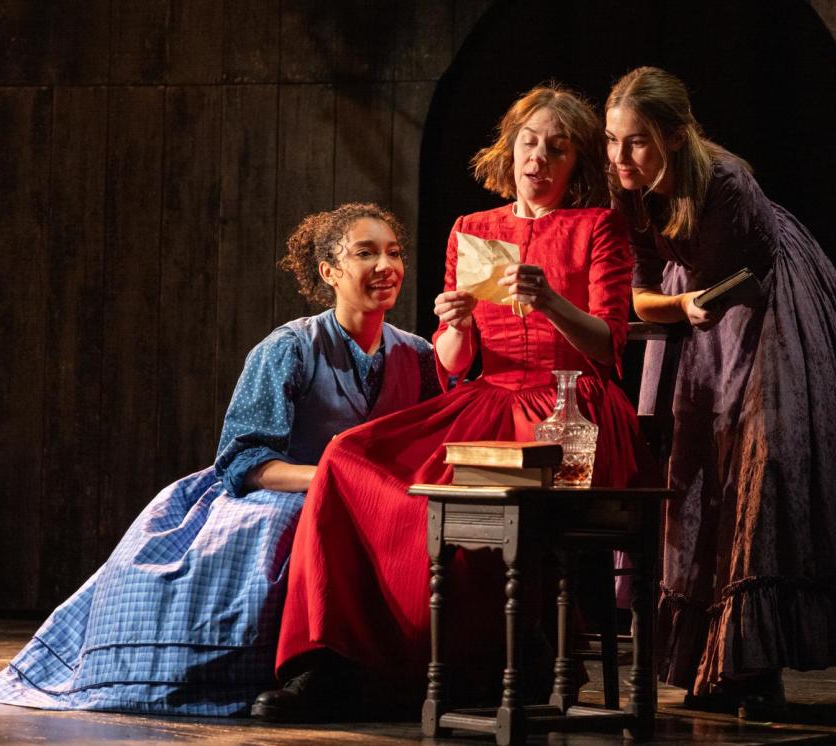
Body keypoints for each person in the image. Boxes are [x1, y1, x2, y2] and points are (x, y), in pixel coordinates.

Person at [253, 83, 647, 722]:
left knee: (494, 495)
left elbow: (607, 346)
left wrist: (549, 300)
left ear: (577, 164)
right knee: (350, 456)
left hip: (573, 406)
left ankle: (483, 665)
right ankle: (327, 660)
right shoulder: (473, 229)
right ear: (509, 148)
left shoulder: (597, 226)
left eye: (557, 147)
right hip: (488, 397)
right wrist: (456, 323)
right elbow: (452, 364)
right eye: (528, 141)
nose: (538, 157)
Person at [0, 203, 440, 716]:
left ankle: (392, 671)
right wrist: (334, 479)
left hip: (371, 495)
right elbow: (244, 459)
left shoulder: (417, 355)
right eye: (365, 253)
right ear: (330, 271)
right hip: (282, 489)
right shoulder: (289, 347)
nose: (385, 265)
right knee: (310, 521)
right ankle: (304, 670)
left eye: (393, 253)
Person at [604, 66, 836, 717]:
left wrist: (671, 305)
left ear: (677, 136)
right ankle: (699, 661)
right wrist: (666, 305)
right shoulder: (627, 186)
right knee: (684, 466)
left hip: (760, 301)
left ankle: (749, 662)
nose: (620, 156)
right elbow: (644, 280)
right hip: (693, 306)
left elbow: (725, 282)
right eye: (612, 140)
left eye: (636, 141)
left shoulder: (726, 182)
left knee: (752, 468)